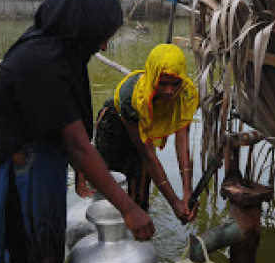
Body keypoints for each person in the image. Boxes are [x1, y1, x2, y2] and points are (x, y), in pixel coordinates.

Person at [0, 0, 154, 263]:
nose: (103, 45)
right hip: (18, 176)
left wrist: (80, 170)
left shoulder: (61, 50)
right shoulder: (40, 59)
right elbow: (77, 144)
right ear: (83, 25)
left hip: (41, 164)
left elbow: (66, 121)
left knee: (46, 258)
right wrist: (130, 209)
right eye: (102, 35)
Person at [78, 43, 199, 224]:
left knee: (140, 199)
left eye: (175, 84)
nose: (169, 91)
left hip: (143, 138)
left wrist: (187, 193)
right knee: (112, 195)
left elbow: (182, 144)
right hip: (114, 133)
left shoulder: (184, 95)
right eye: (163, 83)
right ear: (153, 78)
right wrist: (174, 202)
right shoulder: (133, 98)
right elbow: (148, 155)